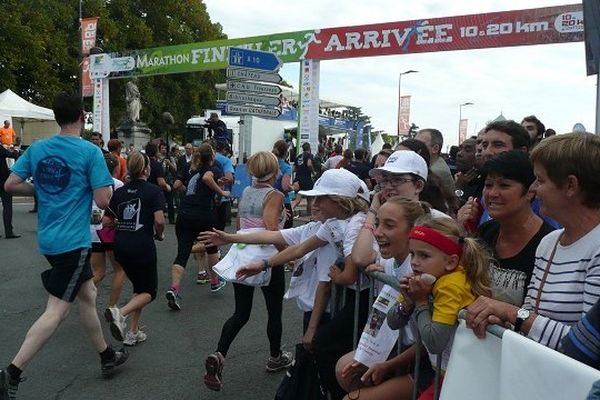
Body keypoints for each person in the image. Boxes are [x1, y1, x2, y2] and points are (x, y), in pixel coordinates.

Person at [0, 93, 128, 398]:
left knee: (88, 294)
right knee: (57, 311)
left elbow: (10, 184)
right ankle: (11, 374)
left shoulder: (40, 148)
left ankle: (106, 356)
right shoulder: (89, 152)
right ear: (82, 117)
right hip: (73, 241)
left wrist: (42, 192)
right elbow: (103, 200)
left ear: (57, 117)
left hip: (49, 238)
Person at [466, 133, 600, 352]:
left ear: (570, 186)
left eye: (541, 180)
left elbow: (588, 346)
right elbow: (528, 316)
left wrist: (509, 313)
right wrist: (502, 322)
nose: (534, 189)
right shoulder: (550, 242)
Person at [203, 151, 290, 392]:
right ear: (274, 171)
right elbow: (271, 228)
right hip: (268, 258)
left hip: (244, 254)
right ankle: (275, 357)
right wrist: (290, 255)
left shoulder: (247, 193)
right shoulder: (275, 195)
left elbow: (241, 227)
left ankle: (220, 353)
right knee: (274, 311)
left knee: (241, 312)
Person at [337, 198, 435, 400]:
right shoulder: (390, 263)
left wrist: (389, 364)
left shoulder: (421, 273)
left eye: (389, 225)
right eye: (377, 223)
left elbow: (430, 342)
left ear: (412, 231)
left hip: (429, 364)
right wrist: (369, 354)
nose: (378, 232)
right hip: (402, 347)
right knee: (346, 373)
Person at [390, 217, 491, 398]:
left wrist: (420, 302)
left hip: (470, 375)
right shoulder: (422, 277)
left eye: (424, 255)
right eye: (412, 253)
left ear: (451, 262)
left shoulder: (451, 284)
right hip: (447, 372)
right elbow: (393, 322)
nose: (414, 262)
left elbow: (435, 342)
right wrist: (406, 302)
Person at [476, 151, 555, 306]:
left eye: (504, 185)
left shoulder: (549, 244)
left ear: (531, 191)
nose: (492, 193)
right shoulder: (485, 232)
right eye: (488, 185)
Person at [104, 151, 166, 346]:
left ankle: (133, 331)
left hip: (121, 246)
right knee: (150, 292)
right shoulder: (154, 191)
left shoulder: (120, 192)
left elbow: (106, 221)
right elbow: (159, 220)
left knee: (139, 287)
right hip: (142, 246)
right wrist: (158, 233)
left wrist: (120, 223)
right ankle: (119, 313)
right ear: (146, 169)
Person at [166, 143, 229, 310]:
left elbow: (176, 186)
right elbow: (207, 178)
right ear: (212, 156)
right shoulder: (213, 167)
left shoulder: (189, 166)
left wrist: (191, 192)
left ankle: (174, 289)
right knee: (211, 247)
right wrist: (221, 192)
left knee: (182, 253)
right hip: (203, 213)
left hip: (184, 213)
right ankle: (215, 281)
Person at [90, 153, 125, 310]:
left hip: (92, 230)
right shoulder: (117, 184)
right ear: (116, 168)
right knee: (119, 269)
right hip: (109, 230)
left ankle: (81, 293)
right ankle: (112, 307)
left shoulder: (91, 182)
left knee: (98, 272)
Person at [415, 129, 455, 196]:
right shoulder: (433, 164)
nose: (415, 148)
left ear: (435, 148)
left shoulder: (436, 171)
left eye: (420, 144)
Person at [272, 139, 293, 229]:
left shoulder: (268, 164)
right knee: (285, 234)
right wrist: (293, 187)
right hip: (283, 202)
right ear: (286, 152)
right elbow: (285, 187)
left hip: (268, 199)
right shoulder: (286, 167)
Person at [0, 144, 20, 238]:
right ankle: (8, 232)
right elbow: (13, 155)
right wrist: (15, 150)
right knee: (7, 206)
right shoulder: (0, 148)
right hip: (2, 180)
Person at [291, 142, 315, 216]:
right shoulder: (309, 155)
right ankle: (309, 216)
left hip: (298, 179)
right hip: (307, 180)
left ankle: (289, 212)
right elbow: (309, 164)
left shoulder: (298, 157)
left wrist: (294, 179)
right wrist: (313, 172)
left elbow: (293, 169)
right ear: (309, 148)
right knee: (310, 200)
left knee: (297, 200)